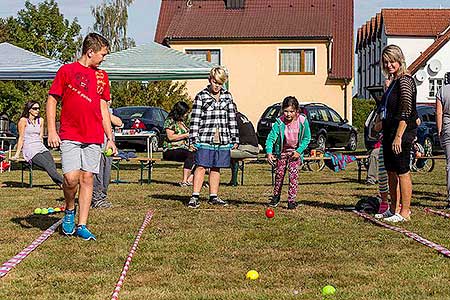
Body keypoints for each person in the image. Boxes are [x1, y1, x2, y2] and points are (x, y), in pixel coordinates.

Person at [46, 33, 117, 240]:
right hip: (70, 134)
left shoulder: (102, 76)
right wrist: (52, 130)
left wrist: (110, 137)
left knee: (87, 178)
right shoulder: (67, 71)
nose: (104, 58)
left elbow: (104, 108)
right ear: (90, 52)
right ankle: (69, 209)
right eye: (103, 54)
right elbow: (52, 100)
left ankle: (82, 224)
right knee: (70, 178)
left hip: (94, 136)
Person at [188, 66, 239, 208]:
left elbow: (232, 118)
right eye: (215, 82)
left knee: (217, 167)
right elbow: (195, 119)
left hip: (222, 138)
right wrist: (193, 138)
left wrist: (234, 138)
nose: (217, 86)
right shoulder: (201, 96)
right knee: (201, 166)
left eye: (220, 83)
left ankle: (213, 196)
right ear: (210, 80)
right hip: (204, 137)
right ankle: (195, 196)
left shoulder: (227, 96)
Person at [377, 45, 418, 222]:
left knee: (402, 171)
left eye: (392, 61)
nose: (389, 65)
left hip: (402, 132)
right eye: (386, 62)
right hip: (389, 131)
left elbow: (406, 110)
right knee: (391, 171)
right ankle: (393, 209)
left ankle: (405, 212)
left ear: (399, 60)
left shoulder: (405, 81)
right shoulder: (393, 82)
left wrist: (399, 136)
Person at [265, 96, 311, 209]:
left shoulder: (302, 121)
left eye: (291, 111)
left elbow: (307, 138)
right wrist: (269, 152)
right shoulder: (279, 123)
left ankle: (291, 200)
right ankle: (276, 197)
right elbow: (271, 138)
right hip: (282, 152)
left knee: (293, 175)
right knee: (279, 175)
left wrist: (299, 151)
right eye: (286, 111)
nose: (288, 114)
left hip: (295, 153)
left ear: (297, 111)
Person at [12, 101, 63, 187]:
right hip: (30, 149)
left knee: (52, 165)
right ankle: (68, 183)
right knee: (47, 165)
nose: (37, 110)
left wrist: (43, 147)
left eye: (38, 108)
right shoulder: (23, 121)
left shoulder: (41, 120)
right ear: (29, 110)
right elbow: (21, 138)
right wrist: (17, 154)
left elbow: (41, 136)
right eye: (35, 109)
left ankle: (61, 184)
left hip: (40, 147)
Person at [91, 102, 123, 208]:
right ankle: (96, 198)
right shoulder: (93, 108)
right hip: (97, 146)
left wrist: (106, 111)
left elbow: (119, 123)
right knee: (97, 175)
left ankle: (102, 196)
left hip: (108, 147)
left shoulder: (110, 111)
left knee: (106, 175)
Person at [162, 101, 195, 186]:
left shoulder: (182, 122)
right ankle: (184, 180)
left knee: (200, 155)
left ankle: (189, 179)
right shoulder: (170, 121)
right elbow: (170, 137)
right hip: (170, 149)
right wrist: (185, 135)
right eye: (185, 113)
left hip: (183, 148)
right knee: (190, 154)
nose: (186, 115)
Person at [228, 108, 259, 186]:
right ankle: (233, 180)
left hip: (246, 148)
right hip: (254, 147)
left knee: (224, 153)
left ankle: (234, 182)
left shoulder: (234, 119)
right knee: (231, 155)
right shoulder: (242, 117)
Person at [436, 71, 450, 209]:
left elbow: (439, 112)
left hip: (448, 127)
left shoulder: (442, 91)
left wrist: (439, 130)